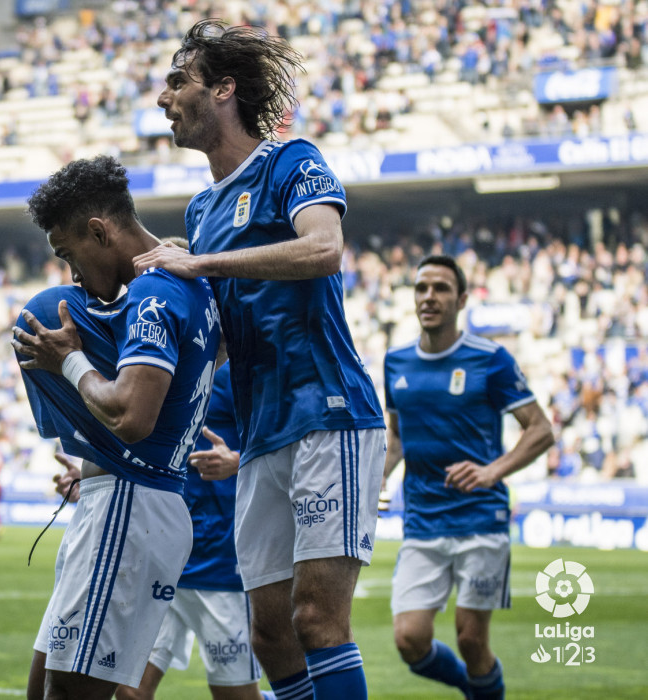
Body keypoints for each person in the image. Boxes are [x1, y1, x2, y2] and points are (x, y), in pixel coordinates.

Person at [133, 20, 386, 700]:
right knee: (268, 632)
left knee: (316, 619)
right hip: (261, 430)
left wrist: (201, 261)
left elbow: (323, 249)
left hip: (328, 414)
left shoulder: (291, 161)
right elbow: (214, 338)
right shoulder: (202, 206)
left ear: (223, 88)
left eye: (177, 81)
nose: (163, 98)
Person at [11, 155, 220, 700]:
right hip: (121, 498)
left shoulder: (155, 290)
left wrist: (71, 363)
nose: (72, 275)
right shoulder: (181, 281)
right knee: (45, 690)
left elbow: (131, 416)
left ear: (99, 231)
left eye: (67, 253)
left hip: (131, 503)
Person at [382, 254, 554, 700]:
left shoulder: (490, 359)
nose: (428, 297)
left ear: (461, 300)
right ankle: (475, 691)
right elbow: (397, 438)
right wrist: (377, 478)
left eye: (440, 289)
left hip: (480, 518)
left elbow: (540, 429)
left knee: (471, 638)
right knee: (409, 639)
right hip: (423, 521)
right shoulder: (395, 363)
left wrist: (491, 471)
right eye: (421, 288)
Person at [115, 362, 273, 700]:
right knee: (129, 691)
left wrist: (237, 461)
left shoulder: (239, 371)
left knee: (236, 697)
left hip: (220, 561)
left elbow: (280, 444)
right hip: (163, 554)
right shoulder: (159, 363)